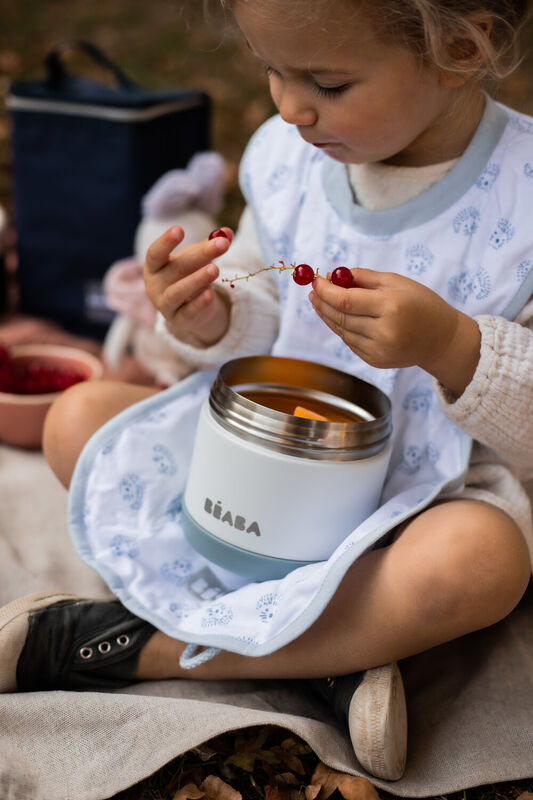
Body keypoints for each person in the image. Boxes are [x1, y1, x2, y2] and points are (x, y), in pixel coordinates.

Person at [1, 0, 533, 783]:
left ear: (459, 47)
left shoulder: (519, 195)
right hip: (257, 475)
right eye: (271, 69)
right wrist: (209, 315)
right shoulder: (290, 161)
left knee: (481, 562)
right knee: (81, 418)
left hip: (418, 500)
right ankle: (337, 656)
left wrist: (452, 347)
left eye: (326, 80)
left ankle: (122, 644)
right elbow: (263, 317)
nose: (288, 105)